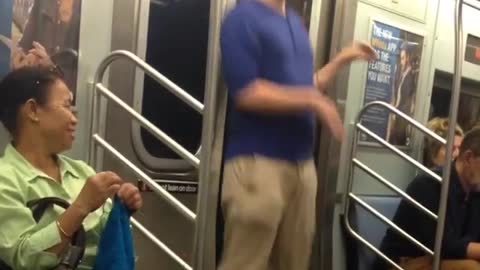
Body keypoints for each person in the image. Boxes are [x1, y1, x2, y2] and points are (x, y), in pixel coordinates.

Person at [218, 0, 376, 269]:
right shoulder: (242, 18)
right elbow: (247, 92)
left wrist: (341, 59)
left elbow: (305, 86)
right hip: (258, 163)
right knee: (246, 263)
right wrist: (313, 102)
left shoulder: (293, 23)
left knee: (295, 262)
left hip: (302, 167)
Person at [0, 66, 143, 270]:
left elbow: (106, 241)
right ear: (32, 110)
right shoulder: (5, 179)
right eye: (66, 106)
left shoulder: (82, 172)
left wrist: (122, 208)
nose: (74, 119)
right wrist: (80, 207)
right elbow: (23, 258)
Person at [376, 127, 480, 270]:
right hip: (404, 262)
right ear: (469, 158)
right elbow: (444, 246)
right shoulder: (429, 184)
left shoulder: (474, 190)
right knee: (471, 268)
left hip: (440, 260)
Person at [11, 0, 81, 95]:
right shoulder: (42, 2)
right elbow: (25, 45)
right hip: (40, 93)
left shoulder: (91, 8)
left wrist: (51, 68)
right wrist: (21, 62)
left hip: (70, 99)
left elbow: (87, 74)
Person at [388, 41, 417, 146]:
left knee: (397, 140)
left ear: (409, 57)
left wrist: (398, 111)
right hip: (397, 112)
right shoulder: (401, 74)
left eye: (403, 58)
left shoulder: (412, 76)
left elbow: (408, 100)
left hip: (402, 115)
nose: (401, 62)